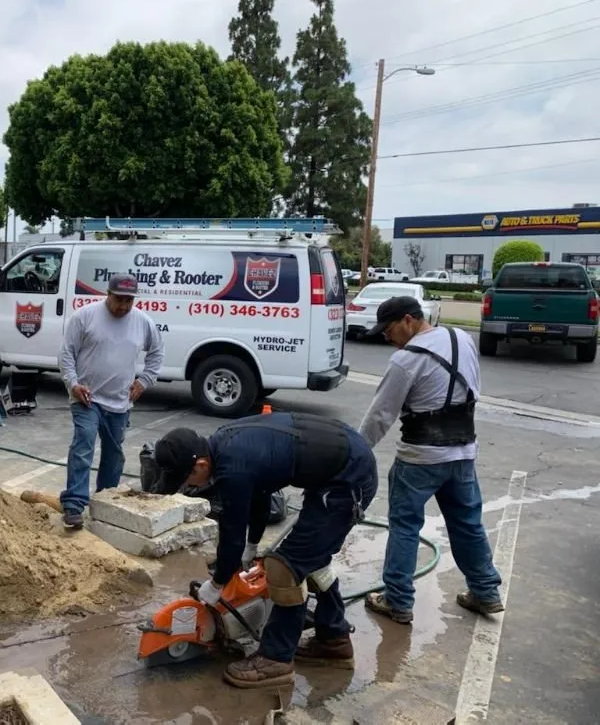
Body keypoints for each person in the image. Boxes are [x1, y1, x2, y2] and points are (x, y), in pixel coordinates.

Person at [151, 411, 378, 688]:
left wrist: (218, 582)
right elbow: (260, 493)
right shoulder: (224, 443)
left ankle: (276, 659)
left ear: (199, 465)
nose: (188, 487)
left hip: (348, 480)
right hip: (340, 468)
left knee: (285, 568)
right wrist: (253, 545)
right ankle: (334, 640)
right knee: (312, 560)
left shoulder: (232, 468)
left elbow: (231, 533)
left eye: (185, 481)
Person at [358, 295, 503, 624]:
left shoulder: (405, 361)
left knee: (405, 526)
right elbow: (473, 390)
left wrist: (356, 452)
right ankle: (485, 592)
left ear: (409, 320)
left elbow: (380, 416)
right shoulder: (462, 339)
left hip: (420, 458)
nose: (386, 337)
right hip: (463, 452)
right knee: (468, 524)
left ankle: (397, 601)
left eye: (389, 329)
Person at [58, 273, 165, 528]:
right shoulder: (85, 317)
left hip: (120, 401)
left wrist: (145, 381)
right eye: (119, 299)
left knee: (114, 454)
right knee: (83, 444)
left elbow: (157, 353)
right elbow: (66, 354)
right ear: (108, 294)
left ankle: (106, 501)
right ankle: (74, 504)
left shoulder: (142, 322)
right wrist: (73, 384)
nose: (124, 306)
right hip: (87, 398)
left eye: (129, 300)